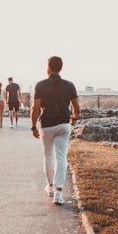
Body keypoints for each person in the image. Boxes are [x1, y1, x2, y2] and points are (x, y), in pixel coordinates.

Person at [30, 56, 80, 205]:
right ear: (61, 67)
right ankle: (59, 192)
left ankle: (50, 186)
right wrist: (73, 119)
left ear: (49, 67)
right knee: (61, 157)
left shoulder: (40, 85)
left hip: (47, 124)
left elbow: (35, 108)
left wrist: (33, 126)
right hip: (64, 124)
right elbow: (77, 108)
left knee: (48, 155)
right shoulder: (69, 85)